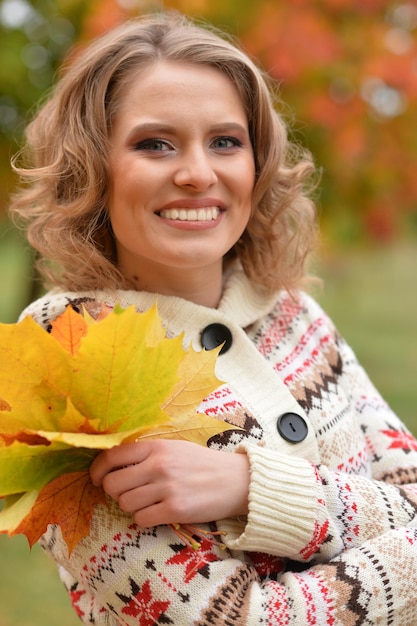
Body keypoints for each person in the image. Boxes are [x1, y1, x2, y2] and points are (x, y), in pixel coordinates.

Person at [8, 11, 417, 625]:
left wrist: (252, 487)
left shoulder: (290, 316)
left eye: (225, 141)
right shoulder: (63, 361)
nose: (199, 173)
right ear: (92, 166)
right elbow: (239, 618)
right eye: (154, 144)